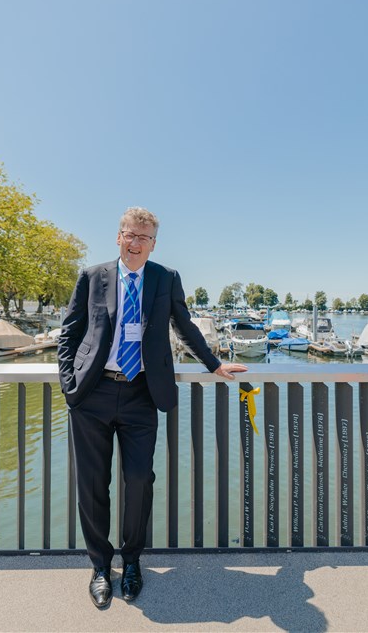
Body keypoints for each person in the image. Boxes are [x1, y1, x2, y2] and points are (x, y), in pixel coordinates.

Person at [57, 207, 247, 609]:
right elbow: (70, 331)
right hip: (92, 394)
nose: (136, 242)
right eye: (130, 234)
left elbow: (184, 324)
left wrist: (213, 363)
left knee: (140, 480)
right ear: (119, 237)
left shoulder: (165, 278)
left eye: (144, 237)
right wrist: (70, 384)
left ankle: (132, 562)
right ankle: (99, 567)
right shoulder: (93, 276)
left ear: (153, 243)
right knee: (92, 486)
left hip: (142, 393)